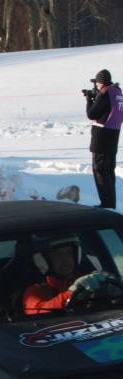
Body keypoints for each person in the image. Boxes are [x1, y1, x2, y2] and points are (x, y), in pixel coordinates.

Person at [22, 237, 122, 314]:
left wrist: (111, 288)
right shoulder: (35, 290)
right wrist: (72, 292)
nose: (66, 259)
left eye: (69, 252)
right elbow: (38, 311)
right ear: (43, 259)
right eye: (57, 254)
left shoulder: (88, 280)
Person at [85, 69, 123, 209]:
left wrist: (89, 100)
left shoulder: (105, 92)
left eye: (96, 83)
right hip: (113, 135)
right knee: (108, 170)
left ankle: (106, 204)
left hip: (102, 137)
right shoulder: (117, 91)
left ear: (101, 82)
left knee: (100, 169)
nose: (96, 86)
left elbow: (92, 114)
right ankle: (110, 203)